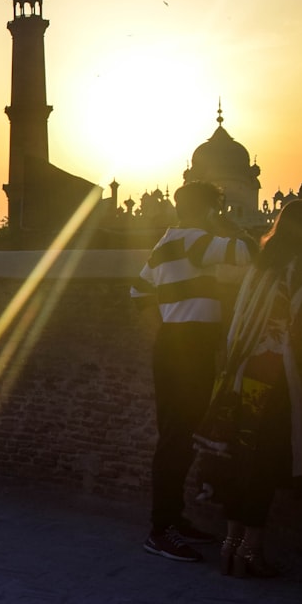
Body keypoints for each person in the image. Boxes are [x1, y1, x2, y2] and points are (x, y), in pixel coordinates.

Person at [193, 198, 302, 577]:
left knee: (243, 461)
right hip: (273, 378)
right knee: (263, 467)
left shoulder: (261, 266)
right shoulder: (299, 271)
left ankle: (229, 548)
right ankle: (250, 552)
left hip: (243, 373)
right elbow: (296, 328)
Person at [131, 181, 257, 562]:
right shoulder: (195, 240)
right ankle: (161, 529)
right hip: (188, 351)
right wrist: (230, 225)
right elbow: (249, 251)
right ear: (207, 210)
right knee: (176, 438)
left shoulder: (166, 242)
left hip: (174, 345)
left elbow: (138, 292)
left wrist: (168, 328)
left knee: (179, 436)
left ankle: (173, 520)